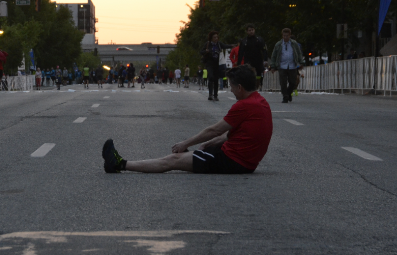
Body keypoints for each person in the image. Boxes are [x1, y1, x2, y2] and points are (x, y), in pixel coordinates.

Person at [102, 64, 272, 174]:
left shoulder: (243, 106)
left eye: (232, 87)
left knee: (172, 160)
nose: (231, 91)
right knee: (189, 155)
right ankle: (122, 163)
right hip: (239, 158)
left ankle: (120, 164)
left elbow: (214, 130)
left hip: (234, 162)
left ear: (240, 87)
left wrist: (186, 143)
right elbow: (233, 135)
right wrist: (208, 145)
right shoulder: (259, 102)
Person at [269, 28, 304, 103]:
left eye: (287, 36)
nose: (285, 37)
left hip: (292, 65)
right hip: (282, 66)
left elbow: (299, 53)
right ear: (282, 35)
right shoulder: (278, 44)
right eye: (284, 36)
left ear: (289, 35)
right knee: (283, 83)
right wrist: (273, 66)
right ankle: (285, 96)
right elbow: (274, 56)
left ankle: (288, 93)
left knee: (293, 82)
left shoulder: (294, 44)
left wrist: (301, 62)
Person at [203, 31, 234, 101]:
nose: (216, 38)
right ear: (211, 38)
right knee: (211, 77)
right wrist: (206, 51)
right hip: (209, 64)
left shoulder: (219, 44)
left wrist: (232, 45)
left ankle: (215, 95)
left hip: (217, 64)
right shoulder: (208, 44)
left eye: (217, 37)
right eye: (214, 37)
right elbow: (201, 52)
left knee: (216, 79)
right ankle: (210, 94)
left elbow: (225, 46)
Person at [236, 24, 267, 89]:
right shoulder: (244, 41)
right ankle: (250, 88)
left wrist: (265, 60)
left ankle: (256, 88)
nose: (251, 31)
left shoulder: (259, 40)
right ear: (247, 31)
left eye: (252, 30)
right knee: (249, 75)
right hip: (248, 61)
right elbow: (241, 53)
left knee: (258, 75)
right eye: (249, 30)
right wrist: (239, 63)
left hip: (258, 60)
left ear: (254, 30)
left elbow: (264, 50)